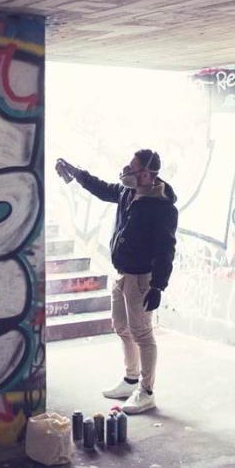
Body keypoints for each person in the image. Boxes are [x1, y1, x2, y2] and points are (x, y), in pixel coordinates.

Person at [55, 150, 178, 414]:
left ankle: (146, 392)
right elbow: (103, 189)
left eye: (132, 169)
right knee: (121, 326)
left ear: (146, 174)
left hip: (141, 278)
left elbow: (166, 248)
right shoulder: (127, 193)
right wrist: (77, 174)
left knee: (142, 333)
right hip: (121, 272)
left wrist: (158, 285)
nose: (126, 171)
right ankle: (131, 379)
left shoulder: (162, 207)